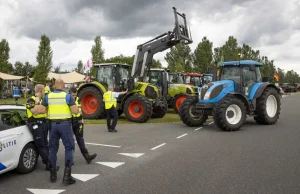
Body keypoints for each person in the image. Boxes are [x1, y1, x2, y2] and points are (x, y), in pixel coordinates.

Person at [33, 79, 79, 185]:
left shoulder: (48, 97)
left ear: (54, 86)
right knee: (69, 148)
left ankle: (53, 175)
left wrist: (38, 100)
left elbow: (40, 111)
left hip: (53, 126)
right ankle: (67, 177)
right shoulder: (67, 96)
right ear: (62, 86)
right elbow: (75, 111)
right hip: (65, 125)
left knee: (52, 149)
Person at [26, 84, 59, 171]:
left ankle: (50, 163)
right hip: (35, 125)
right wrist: (37, 103)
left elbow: (44, 111)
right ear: (40, 91)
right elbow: (35, 112)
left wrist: (39, 109)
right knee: (41, 145)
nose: (45, 92)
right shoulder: (30, 100)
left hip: (43, 124)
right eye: (44, 90)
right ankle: (49, 164)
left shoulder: (42, 100)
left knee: (46, 144)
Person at [69, 87, 97, 164]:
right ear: (70, 94)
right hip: (70, 122)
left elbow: (80, 110)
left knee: (80, 140)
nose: (74, 97)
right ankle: (70, 159)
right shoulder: (67, 100)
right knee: (70, 141)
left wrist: (82, 121)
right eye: (73, 95)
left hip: (78, 121)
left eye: (75, 95)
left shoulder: (78, 99)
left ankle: (87, 157)